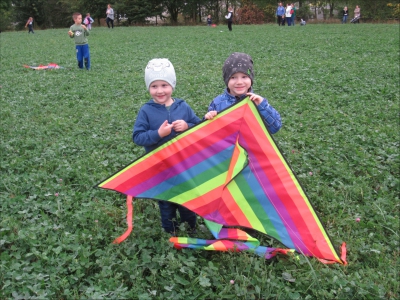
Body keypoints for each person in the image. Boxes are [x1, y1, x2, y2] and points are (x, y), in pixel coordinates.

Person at [133, 58, 201, 235]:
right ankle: (170, 233)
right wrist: (158, 134)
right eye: (154, 86)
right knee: (166, 202)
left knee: (187, 199)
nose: (160, 90)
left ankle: (191, 229)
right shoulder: (146, 111)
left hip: (184, 166)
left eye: (164, 85)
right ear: (148, 87)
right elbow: (138, 137)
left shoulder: (183, 107)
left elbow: (200, 127)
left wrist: (187, 127)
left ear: (172, 85)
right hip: (160, 168)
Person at [204, 52, 282, 135]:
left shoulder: (257, 102)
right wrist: (208, 118)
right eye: (233, 77)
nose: (239, 82)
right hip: (227, 147)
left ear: (251, 79)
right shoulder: (217, 103)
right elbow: (207, 133)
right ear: (226, 80)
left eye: (244, 77)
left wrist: (262, 106)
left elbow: (275, 127)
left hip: (250, 146)